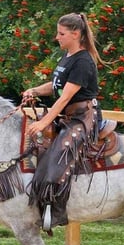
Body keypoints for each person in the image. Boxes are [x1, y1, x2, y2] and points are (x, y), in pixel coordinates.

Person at [22, 12, 105, 232]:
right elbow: (56, 84)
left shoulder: (83, 61)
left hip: (84, 117)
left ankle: (56, 212)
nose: (56, 37)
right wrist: (35, 90)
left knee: (59, 155)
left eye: (61, 33)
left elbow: (66, 96)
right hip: (68, 117)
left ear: (76, 34)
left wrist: (43, 122)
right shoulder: (68, 57)